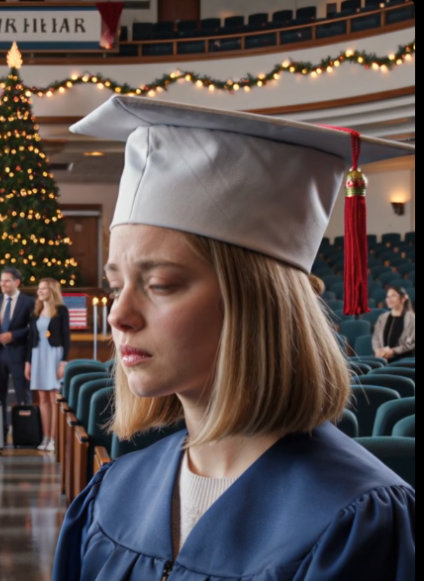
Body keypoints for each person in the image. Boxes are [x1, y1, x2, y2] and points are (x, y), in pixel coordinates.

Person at [54, 97, 415, 580]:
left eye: (160, 284)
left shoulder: (355, 520)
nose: (119, 314)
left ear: (256, 303)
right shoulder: (111, 494)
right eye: (116, 285)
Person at [25, 279, 71, 452]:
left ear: (51, 290)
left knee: (54, 399)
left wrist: (63, 362)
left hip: (54, 355)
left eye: (43, 288)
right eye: (39, 289)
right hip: (38, 355)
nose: (40, 291)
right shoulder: (36, 311)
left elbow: (66, 337)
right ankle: (45, 437)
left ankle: (54, 439)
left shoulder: (61, 310)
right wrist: (28, 362)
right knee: (42, 399)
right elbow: (31, 339)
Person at [0, 268, 35, 429]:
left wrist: (13, 336)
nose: (2, 284)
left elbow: (33, 328)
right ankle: (0, 430)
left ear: (17, 282)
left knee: (22, 394)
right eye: (1, 280)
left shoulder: (28, 302)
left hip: (19, 354)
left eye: (7, 280)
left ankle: (25, 431)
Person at [373, 285, 415, 362]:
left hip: (404, 360)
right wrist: (378, 350)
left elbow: (412, 342)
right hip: (384, 359)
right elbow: (376, 338)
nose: (389, 299)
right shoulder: (382, 318)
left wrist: (393, 351)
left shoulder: (412, 318)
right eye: (387, 296)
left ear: (403, 299)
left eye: (393, 296)